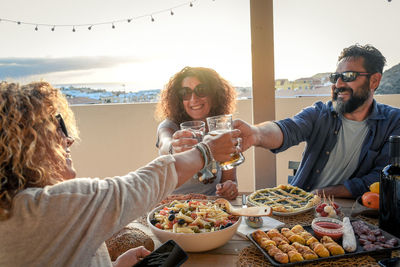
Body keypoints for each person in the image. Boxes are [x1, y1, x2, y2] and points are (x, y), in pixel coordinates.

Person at [0, 81, 239, 266]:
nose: (69, 139)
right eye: (57, 127)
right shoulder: (48, 206)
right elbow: (134, 188)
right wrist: (206, 151)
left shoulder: (13, 206)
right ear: (26, 144)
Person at [234, 44, 400, 199]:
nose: (338, 84)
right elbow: (288, 129)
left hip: (354, 213)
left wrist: (325, 193)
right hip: (301, 206)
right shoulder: (320, 113)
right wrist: (256, 134)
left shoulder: (393, 122)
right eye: (335, 77)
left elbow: (383, 176)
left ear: (374, 81)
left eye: (349, 76)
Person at [155, 66, 239, 199]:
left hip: (211, 207)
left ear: (214, 94)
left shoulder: (221, 129)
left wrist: (229, 187)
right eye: (185, 93)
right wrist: (173, 146)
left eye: (202, 90)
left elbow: (229, 178)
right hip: (173, 205)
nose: (194, 98)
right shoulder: (170, 126)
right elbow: (164, 144)